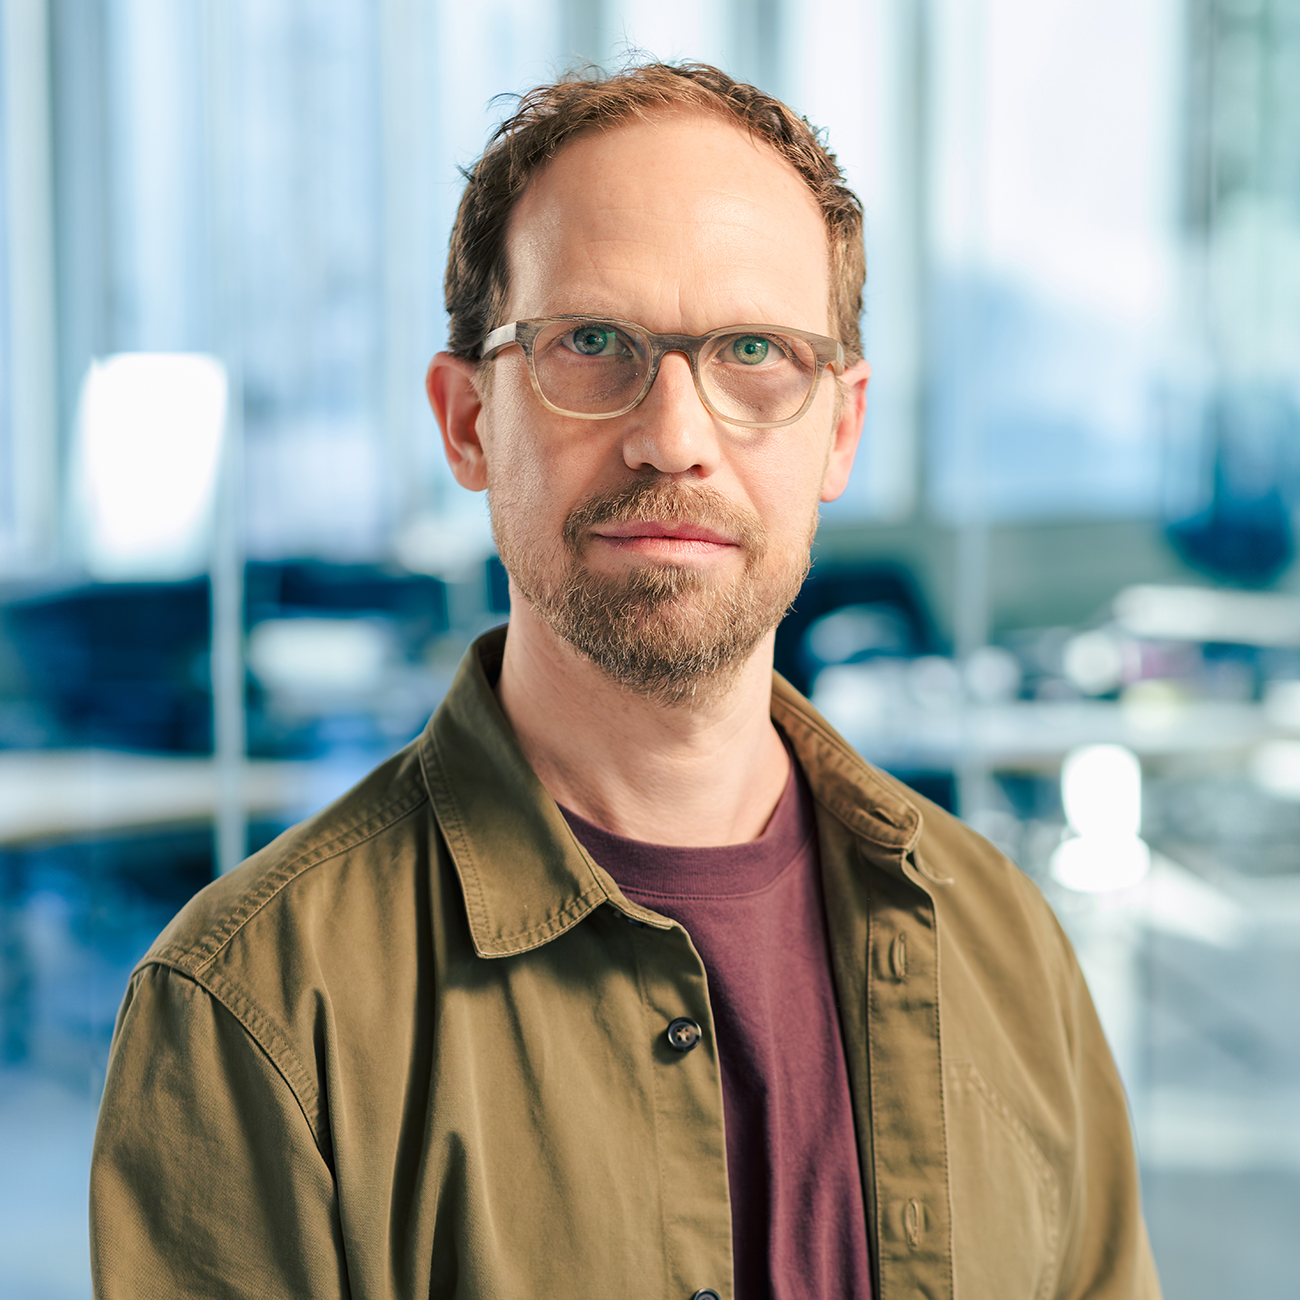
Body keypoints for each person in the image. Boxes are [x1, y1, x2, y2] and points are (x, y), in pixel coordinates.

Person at [89, 61, 1161, 1299]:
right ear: (467, 421)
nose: (676, 434)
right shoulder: (258, 1011)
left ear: (841, 430)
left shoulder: (1003, 943)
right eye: (591, 344)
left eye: (754, 350)